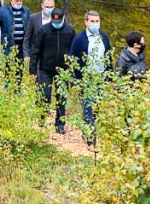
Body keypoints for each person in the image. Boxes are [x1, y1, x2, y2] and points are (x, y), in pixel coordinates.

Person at [69, 10, 112, 149]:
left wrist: (109, 78)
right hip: (85, 79)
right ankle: (90, 139)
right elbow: (72, 60)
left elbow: (108, 59)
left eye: (97, 21)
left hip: (100, 78)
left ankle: (88, 131)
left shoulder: (104, 38)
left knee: (98, 108)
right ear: (86, 22)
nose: (95, 24)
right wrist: (74, 81)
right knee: (88, 107)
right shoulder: (79, 38)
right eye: (92, 21)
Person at [34, 9, 76, 134]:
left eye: (59, 21)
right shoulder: (43, 30)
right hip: (45, 68)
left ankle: (60, 124)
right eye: (54, 21)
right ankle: (41, 117)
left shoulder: (70, 31)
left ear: (63, 19)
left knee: (61, 97)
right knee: (45, 94)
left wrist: (72, 72)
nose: (56, 23)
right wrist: (33, 69)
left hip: (63, 70)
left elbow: (73, 52)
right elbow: (35, 49)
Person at [0, 0, 31, 66]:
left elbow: (31, 26)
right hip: (8, 45)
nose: (19, 3)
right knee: (9, 67)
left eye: (20, 1)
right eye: (17, 1)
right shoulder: (3, 10)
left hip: (22, 45)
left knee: (20, 68)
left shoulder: (26, 11)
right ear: (11, 0)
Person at [24, 0, 55, 75]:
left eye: (51, 7)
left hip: (53, 56)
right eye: (47, 7)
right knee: (39, 81)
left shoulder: (57, 18)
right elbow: (27, 38)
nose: (49, 9)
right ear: (42, 6)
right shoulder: (33, 18)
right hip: (38, 56)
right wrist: (26, 55)